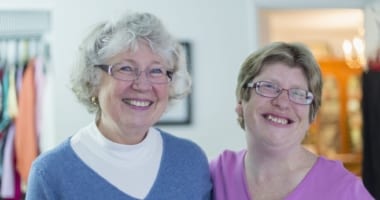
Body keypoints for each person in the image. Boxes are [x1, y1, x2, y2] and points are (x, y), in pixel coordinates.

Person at [26, 11, 212, 200]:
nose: (142, 85)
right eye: (126, 68)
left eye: (156, 70)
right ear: (93, 80)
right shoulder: (50, 173)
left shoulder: (191, 160)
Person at [210, 42, 374, 200]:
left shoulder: (343, 189)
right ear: (240, 101)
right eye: (268, 86)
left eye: (298, 93)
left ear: (312, 115)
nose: (282, 102)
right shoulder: (215, 175)